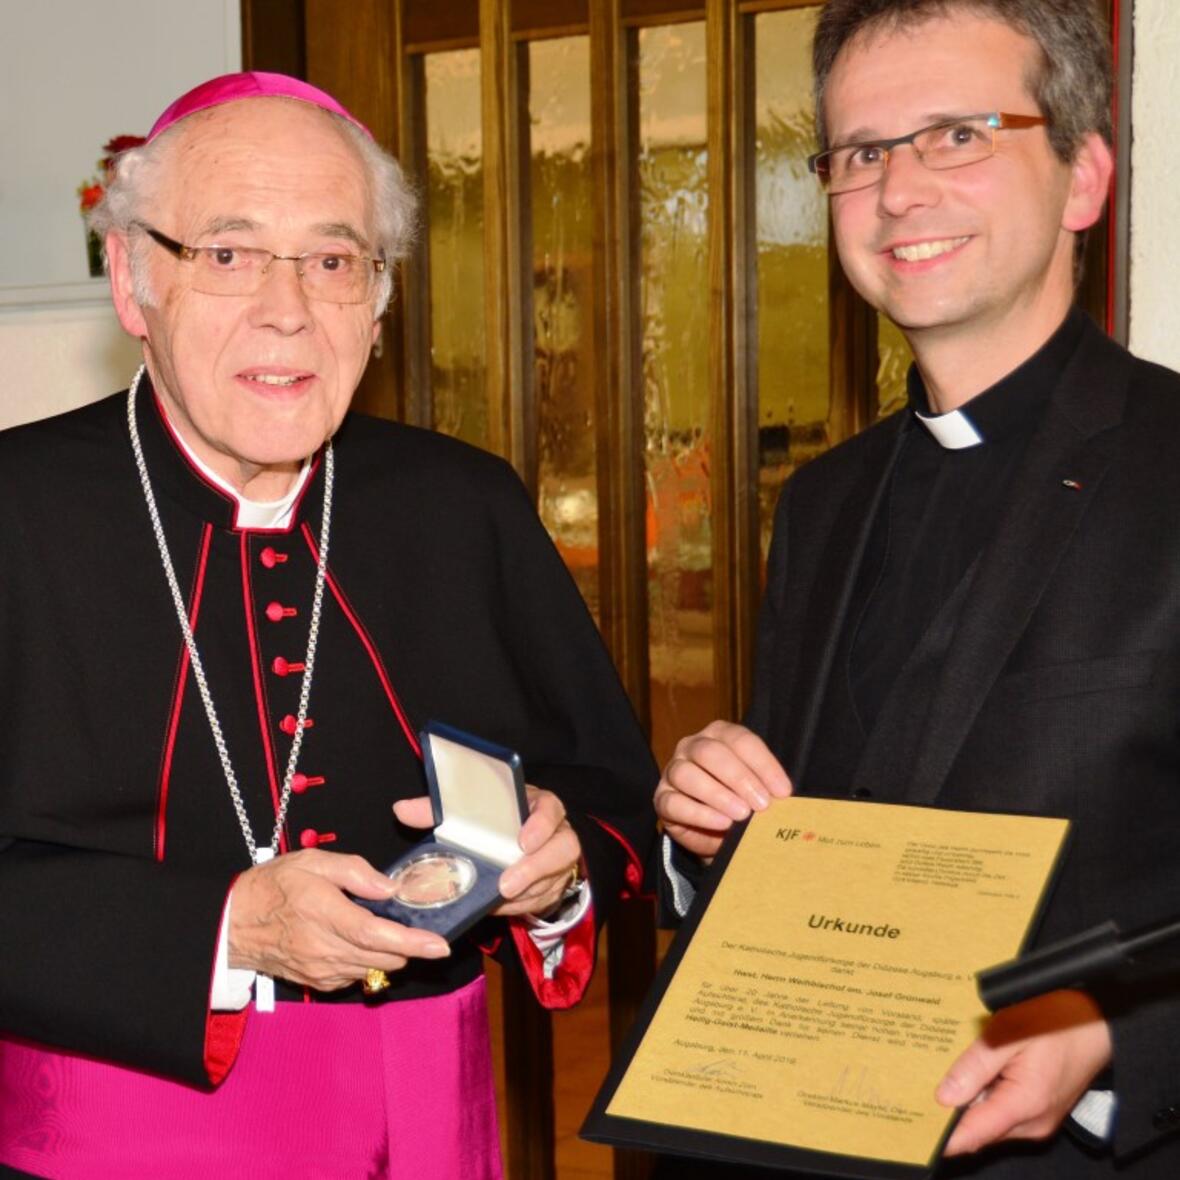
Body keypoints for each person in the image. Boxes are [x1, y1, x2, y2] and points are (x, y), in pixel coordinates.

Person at [0, 72, 655, 1179]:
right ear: (131, 279)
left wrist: (560, 866)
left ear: (379, 302)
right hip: (118, 1137)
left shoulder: (463, 504)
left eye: (334, 261)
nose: (288, 308)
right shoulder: (19, 509)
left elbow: (607, 797)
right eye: (229, 253)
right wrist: (226, 927)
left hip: (434, 1125)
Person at [656, 1, 1180, 1176]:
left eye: (957, 135)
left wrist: (1112, 1036)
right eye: (860, 152)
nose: (896, 191)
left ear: (1083, 178)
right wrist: (707, 830)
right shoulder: (821, 501)